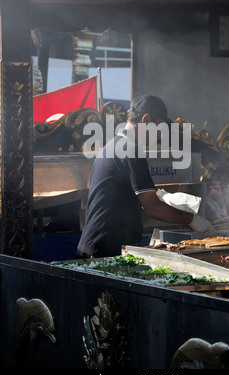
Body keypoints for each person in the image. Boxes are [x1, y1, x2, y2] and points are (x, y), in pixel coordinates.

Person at [77, 94, 215, 258]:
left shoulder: (114, 145)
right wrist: (194, 220)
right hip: (105, 249)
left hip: (95, 245)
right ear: (146, 119)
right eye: (161, 127)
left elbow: (128, 197)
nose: (161, 134)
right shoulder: (131, 150)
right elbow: (153, 208)